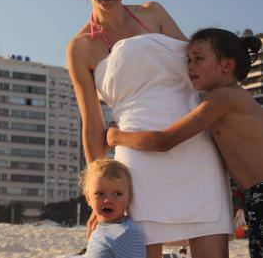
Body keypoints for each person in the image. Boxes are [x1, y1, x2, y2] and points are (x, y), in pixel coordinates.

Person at [66, 0, 233, 258]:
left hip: (195, 143)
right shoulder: (80, 47)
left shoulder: (153, 13)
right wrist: (95, 192)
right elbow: (92, 125)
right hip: (138, 159)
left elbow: (199, 67)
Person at [107, 28, 263, 258]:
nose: (190, 66)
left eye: (199, 59)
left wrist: (116, 137)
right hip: (254, 195)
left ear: (227, 66)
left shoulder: (222, 98)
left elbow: (165, 140)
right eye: (188, 59)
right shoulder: (225, 98)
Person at [80, 158, 145, 258]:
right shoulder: (100, 228)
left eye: (117, 194)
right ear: (88, 199)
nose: (108, 200)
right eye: (100, 194)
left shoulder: (125, 233)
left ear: (129, 198)